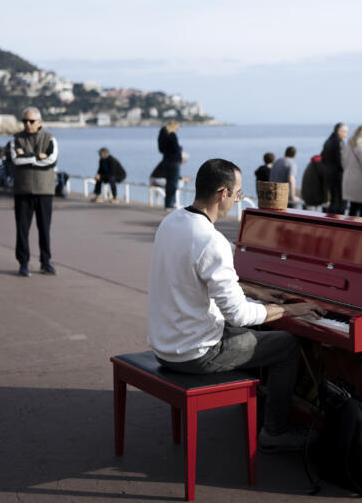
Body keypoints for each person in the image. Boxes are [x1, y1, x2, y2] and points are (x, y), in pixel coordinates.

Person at [147, 158, 322, 452]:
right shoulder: (211, 240)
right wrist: (292, 309)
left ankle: (255, 405)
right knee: (286, 344)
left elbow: (197, 277)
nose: (239, 200)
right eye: (238, 193)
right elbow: (239, 315)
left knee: (256, 332)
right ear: (222, 193)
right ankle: (274, 431)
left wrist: (255, 290)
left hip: (165, 345)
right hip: (196, 353)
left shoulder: (172, 222)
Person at [11, 107, 58, 277]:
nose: (27, 124)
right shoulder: (16, 139)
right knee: (22, 229)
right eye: (24, 121)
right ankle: (23, 263)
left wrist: (28, 157)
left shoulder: (50, 138)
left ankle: (45, 262)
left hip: (45, 190)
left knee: (44, 228)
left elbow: (52, 160)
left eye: (31, 121)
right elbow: (16, 160)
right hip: (23, 190)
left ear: (40, 122)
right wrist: (39, 157)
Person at [321, 122, 348, 214]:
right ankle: (339, 221)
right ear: (339, 131)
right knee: (340, 200)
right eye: (345, 132)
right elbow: (340, 160)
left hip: (329, 174)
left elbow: (323, 157)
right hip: (338, 175)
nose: (346, 134)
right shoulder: (338, 142)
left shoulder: (328, 141)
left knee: (333, 199)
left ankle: (332, 220)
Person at [158, 120, 184, 210]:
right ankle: (170, 204)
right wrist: (180, 154)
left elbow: (160, 149)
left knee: (169, 182)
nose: (177, 129)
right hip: (174, 161)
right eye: (177, 128)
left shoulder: (162, 135)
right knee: (173, 183)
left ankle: (168, 203)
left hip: (166, 161)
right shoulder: (172, 135)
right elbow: (176, 149)